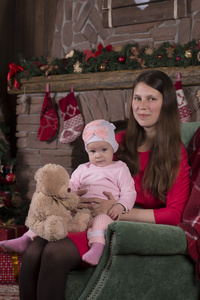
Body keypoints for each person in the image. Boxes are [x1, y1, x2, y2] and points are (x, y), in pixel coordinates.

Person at [12, 69, 190, 300]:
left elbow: (175, 214)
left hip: (123, 225)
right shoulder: (116, 141)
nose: (142, 106)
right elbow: (87, 174)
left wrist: (115, 211)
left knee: (55, 253)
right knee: (34, 250)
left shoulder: (175, 152)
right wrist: (75, 197)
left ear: (166, 104)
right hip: (87, 215)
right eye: (137, 98)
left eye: (151, 98)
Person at [69, 119, 136, 265]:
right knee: (59, 213)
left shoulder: (119, 168)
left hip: (105, 213)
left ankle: (96, 249)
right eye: (93, 151)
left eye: (104, 150)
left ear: (113, 148)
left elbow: (129, 191)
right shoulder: (82, 169)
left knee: (101, 222)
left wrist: (119, 206)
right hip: (81, 212)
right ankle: (30, 236)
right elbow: (71, 187)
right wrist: (71, 198)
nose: (98, 155)